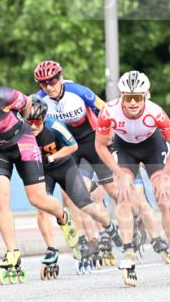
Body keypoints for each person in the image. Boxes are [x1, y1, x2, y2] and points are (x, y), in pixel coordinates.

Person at [0, 64, 76, 284]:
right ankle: (12, 253)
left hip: (23, 142)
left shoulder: (5, 96)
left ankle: (63, 217)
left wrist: (35, 125)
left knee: (37, 199)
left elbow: (31, 108)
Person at [94, 70, 170, 287]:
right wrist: (118, 173)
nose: (133, 102)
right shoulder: (109, 111)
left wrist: (165, 175)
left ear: (146, 95)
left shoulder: (155, 112)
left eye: (138, 97)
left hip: (152, 145)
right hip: (125, 148)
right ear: (122, 97)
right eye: (128, 97)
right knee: (124, 194)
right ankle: (128, 252)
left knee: (164, 198)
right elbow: (100, 145)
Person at [26, 96, 123, 272]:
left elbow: (73, 146)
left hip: (64, 166)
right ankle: (51, 249)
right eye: (28, 121)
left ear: (43, 117)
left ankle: (110, 226)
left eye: (36, 121)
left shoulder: (53, 125)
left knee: (86, 206)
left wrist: (53, 156)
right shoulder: (21, 131)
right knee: (42, 206)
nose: (32, 125)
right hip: (43, 172)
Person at [33, 60, 116, 204]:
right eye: (43, 83)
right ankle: (102, 226)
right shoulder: (39, 98)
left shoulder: (78, 91)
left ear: (61, 78)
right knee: (69, 196)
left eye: (52, 81)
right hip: (67, 145)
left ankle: (135, 219)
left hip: (91, 140)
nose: (48, 87)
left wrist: (109, 135)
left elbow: (106, 110)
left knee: (112, 189)